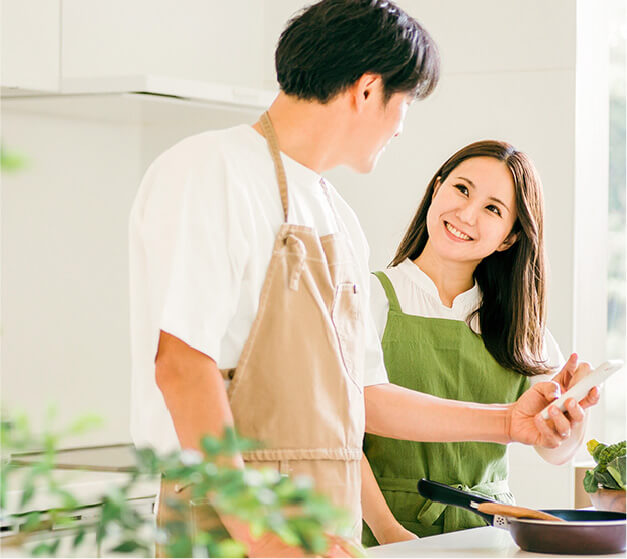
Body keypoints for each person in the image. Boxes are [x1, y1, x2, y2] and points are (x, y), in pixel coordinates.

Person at [128, 1, 598, 556]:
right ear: (369, 90)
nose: (401, 126)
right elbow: (183, 367)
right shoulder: (211, 169)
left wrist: (508, 422)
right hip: (232, 513)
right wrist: (263, 534)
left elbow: (364, 395)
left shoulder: (339, 219)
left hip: (325, 513)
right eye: (406, 103)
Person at [361, 140, 596, 546]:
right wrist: (389, 532)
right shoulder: (367, 297)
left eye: (493, 208)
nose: (467, 214)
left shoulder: (519, 324)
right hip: (386, 532)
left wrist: (570, 425)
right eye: (462, 189)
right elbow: (338, 432)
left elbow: (554, 452)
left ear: (509, 238)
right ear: (436, 189)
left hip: (491, 535)